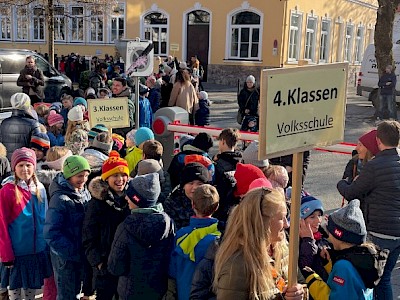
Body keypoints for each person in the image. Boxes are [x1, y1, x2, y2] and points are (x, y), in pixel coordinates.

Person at [337, 120, 400, 299]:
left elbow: (351, 193)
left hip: (380, 231)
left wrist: (343, 182)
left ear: (379, 140)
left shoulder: (375, 165)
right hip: (397, 233)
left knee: (377, 279)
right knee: (385, 277)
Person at [213, 188, 304, 300]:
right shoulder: (237, 265)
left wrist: (300, 292)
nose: (286, 224)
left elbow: (300, 282)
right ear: (262, 222)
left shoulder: (283, 247)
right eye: (281, 218)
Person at [107, 173, 175, 300]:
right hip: (158, 291)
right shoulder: (168, 224)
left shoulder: (125, 228)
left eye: (130, 196)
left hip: (130, 292)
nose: (126, 198)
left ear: (137, 199)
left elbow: (115, 267)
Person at [304, 200, 388, 300]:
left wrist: (312, 279)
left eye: (329, 230)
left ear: (338, 235)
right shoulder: (363, 257)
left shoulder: (343, 266)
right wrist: (328, 264)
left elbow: (334, 298)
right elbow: (350, 285)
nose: (328, 235)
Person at [0, 148, 52, 300]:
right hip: (17, 252)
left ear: (34, 166)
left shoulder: (40, 188)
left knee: (32, 290)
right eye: (20, 165)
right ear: (14, 167)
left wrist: (46, 245)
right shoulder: (7, 191)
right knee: (15, 290)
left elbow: (46, 218)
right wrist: (6, 253)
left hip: (37, 250)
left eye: (28, 165)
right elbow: (2, 225)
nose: (25, 169)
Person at [82, 151, 130, 300]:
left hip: (127, 264)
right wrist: (98, 262)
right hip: (105, 264)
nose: (120, 179)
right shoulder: (96, 203)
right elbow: (89, 235)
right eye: (115, 175)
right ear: (106, 178)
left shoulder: (132, 200)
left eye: (123, 175)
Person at [44, 156, 92, 300]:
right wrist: (71, 251)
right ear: (69, 176)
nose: (83, 179)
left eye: (86, 175)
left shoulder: (83, 192)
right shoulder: (60, 200)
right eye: (79, 176)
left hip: (78, 253)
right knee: (67, 293)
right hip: (65, 257)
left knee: (77, 290)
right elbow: (51, 233)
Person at [167, 184, 220, 300]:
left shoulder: (181, 235)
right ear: (217, 207)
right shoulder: (220, 239)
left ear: (192, 205)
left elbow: (172, 271)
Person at [164, 162, 210, 230]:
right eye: (190, 183)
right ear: (183, 186)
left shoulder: (211, 201)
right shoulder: (172, 203)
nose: (195, 187)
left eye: (200, 184)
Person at [298, 195, 330, 283]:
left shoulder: (322, 235)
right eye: (312, 217)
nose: (318, 220)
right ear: (301, 220)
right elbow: (305, 266)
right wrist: (308, 240)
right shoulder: (295, 241)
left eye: (319, 216)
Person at [0, 93, 41, 161]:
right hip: (26, 163)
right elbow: (37, 147)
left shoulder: (4, 123)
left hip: (8, 163)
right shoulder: (33, 123)